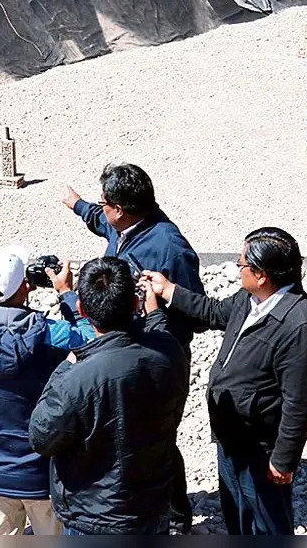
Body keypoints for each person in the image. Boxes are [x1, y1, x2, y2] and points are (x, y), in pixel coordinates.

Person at [142, 227, 307, 535]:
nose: (237, 269)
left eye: (241, 264)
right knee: (236, 511)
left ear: (261, 275)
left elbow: (300, 402)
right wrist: (169, 289)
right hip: (230, 432)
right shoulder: (250, 298)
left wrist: (283, 460)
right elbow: (213, 312)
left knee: (267, 521)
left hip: (259, 445)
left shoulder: (298, 325)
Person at [62, 162, 204, 532]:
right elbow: (100, 220)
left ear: (121, 209)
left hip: (158, 358)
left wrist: (158, 311)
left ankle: (174, 515)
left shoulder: (170, 248)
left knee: (157, 437)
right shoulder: (123, 224)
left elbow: (198, 313)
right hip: (122, 349)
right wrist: (78, 205)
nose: (101, 209)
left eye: (104, 203)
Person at [0, 247, 96, 535]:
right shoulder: (52, 336)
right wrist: (67, 295)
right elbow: (94, 342)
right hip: (43, 474)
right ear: (25, 287)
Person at [28, 257, 189, 535]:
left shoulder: (76, 378)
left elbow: (41, 437)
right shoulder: (168, 351)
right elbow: (158, 332)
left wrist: (65, 367)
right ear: (135, 304)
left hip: (94, 518)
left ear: (82, 308)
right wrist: (153, 311)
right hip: (152, 506)